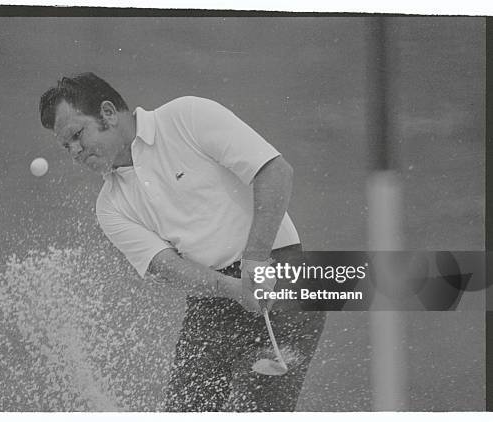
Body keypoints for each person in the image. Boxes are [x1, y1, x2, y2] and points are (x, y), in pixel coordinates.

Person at [39, 72, 326, 411]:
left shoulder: (187, 116)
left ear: (108, 113)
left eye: (77, 135)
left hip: (282, 275)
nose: (74, 151)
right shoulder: (110, 206)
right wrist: (234, 289)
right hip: (213, 298)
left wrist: (255, 258)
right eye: (65, 146)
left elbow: (275, 172)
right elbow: (166, 266)